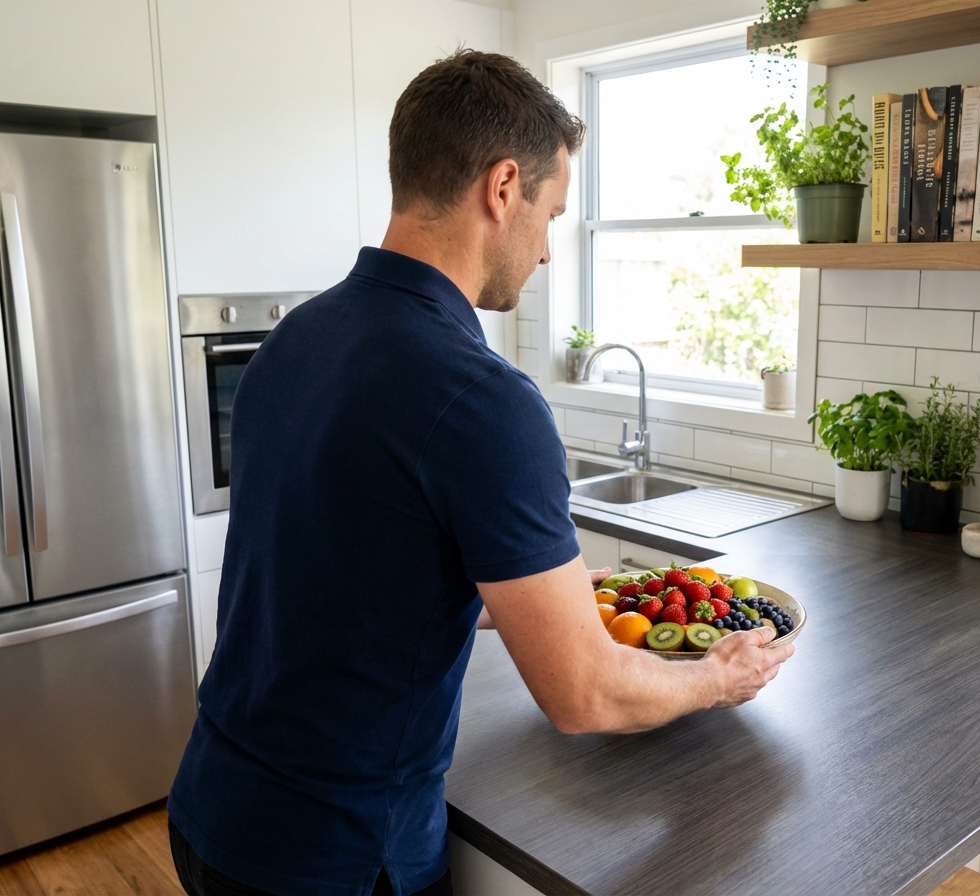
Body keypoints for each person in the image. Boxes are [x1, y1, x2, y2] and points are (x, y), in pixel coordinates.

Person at [166, 49, 793, 896]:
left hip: (211, 808)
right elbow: (584, 696)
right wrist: (717, 678)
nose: (547, 252)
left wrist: (531, 602)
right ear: (503, 188)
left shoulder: (294, 339)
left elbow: (339, 570)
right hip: (337, 857)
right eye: (552, 214)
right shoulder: (483, 399)